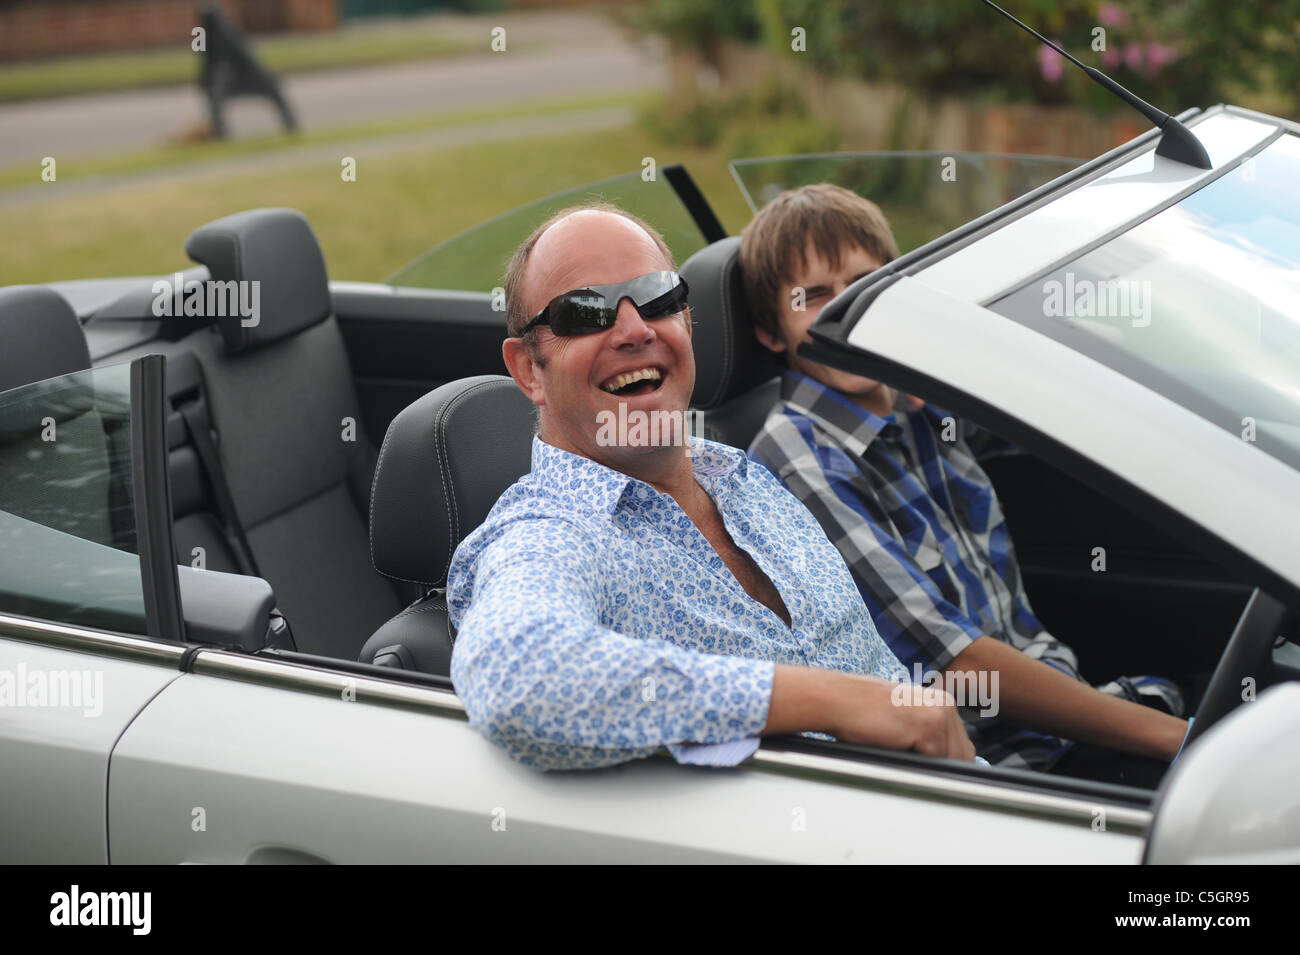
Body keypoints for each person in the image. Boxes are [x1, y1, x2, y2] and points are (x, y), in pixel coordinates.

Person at [447, 201, 976, 771]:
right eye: (585, 312)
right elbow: (521, 678)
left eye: (657, 298)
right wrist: (828, 701)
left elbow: (880, 675)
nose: (634, 329)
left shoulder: (745, 477)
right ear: (529, 371)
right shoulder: (549, 532)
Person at [742, 183, 1188, 784]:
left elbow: (1063, 413)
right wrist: (1171, 739)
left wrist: (947, 359)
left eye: (865, 285)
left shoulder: (917, 403)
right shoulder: (799, 460)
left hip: (1069, 709)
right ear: (771, 333)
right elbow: (951, 661)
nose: (846, 313)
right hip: (1000, 766)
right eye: (814, 297)